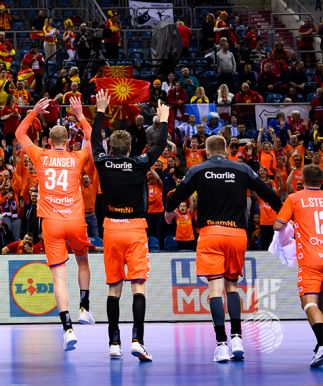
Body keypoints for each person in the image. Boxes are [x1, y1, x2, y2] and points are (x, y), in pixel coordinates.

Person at [164, 134, 281, 363]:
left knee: (215, 290)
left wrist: (169, 209)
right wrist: (285, 214)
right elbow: (267, 193)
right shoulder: (242, 168)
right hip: (237, 235)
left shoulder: (197, 169)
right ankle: (237, 338)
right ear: (226, 150)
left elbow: (175, 198)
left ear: (207, 152)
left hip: (211, 235)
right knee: (233, 287)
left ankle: (222, 345)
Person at [87, 91, 171, 362]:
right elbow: (158, 147)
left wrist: (100, 111)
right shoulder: (139, 163)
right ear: (130, 148)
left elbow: (93, 141)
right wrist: (164, 122)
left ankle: (114, 342)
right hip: (135, 229)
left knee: (114, 289)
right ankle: (138, 339)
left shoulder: (102, 161)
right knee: (138, 287)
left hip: (110, 229)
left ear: (111, 148)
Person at [16, 96, 95, 352]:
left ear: (49, 142)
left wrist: (34, 112)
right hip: (74, 220)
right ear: (68, 142)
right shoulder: (77, 157)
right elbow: (92, 139)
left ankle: (67, 328)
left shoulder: (40, 155)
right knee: (82, 261)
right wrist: (81, 116)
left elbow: (19, 133)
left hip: (50, 222)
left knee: (58, 278)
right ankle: (85, 308)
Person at [273, 163, 323, 367]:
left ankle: (322, 343)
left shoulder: (295, 198)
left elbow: (277, 225)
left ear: (302, 181)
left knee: (309, 303)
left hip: (311, 259)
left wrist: (294, 222)